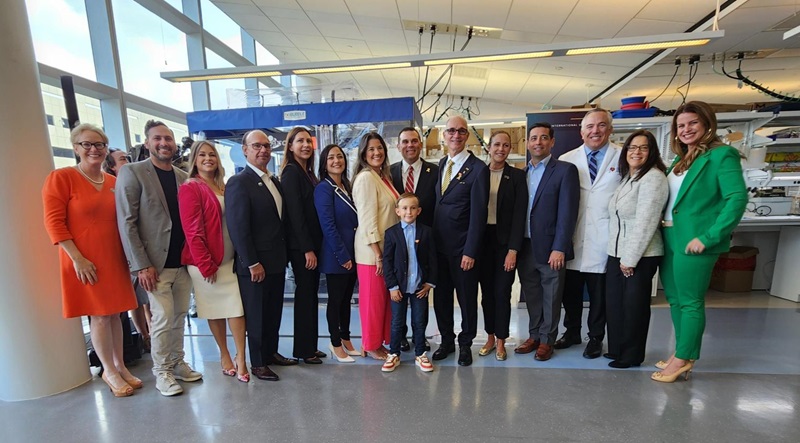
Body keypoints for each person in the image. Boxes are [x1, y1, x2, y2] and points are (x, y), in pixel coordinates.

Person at [43, 123, 140, 397]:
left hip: (114, 257)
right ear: (76, 148)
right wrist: (77, 258)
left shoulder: (113, 182)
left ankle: (121, 365)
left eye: (99, 144)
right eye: (87, 144)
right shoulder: (61, 178)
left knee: (116, 314)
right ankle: (108, 370)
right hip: (85, 259)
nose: (94, 149)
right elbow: (54, 223)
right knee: (99, 316)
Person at [653, 101, 747, 382]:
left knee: (690, 301)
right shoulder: (682, 159)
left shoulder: (722, 155)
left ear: (707, 123)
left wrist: (710, 237)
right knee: (674, 299)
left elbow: (737, 199)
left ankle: (683, 358)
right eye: (681, 125)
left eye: (692, 123)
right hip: (669, 235)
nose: (686, 129)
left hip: (695, 240)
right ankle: (682, 352)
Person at [116, 120, 202, 397]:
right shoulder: (133, 173)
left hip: (183, 262)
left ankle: (177, 362)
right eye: (157, 139)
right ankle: (162, 371)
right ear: (147, 143)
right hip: (155, 265)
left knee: (178, 316)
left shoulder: (181, 176)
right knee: (163, 318)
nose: (163, 143)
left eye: (168, 138)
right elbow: (127, 222)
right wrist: (141, 264)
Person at [178, 141, 249, 382]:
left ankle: (242, 356)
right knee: (215, 312)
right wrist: (205, 263)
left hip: (229, 261)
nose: (208, 158)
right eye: (202, 155)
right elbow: (192, 231)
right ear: (194, 160)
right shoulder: (191, 188)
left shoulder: (223, 186)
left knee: (236, 310)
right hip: (206, 264)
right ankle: (225, 355)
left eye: (212, 155)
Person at [225, 130, 291, 382]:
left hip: (275, 260)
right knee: (257, 314)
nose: (262, 150)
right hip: (255, 264)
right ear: (244, 150)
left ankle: (271, 352)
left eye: (266, 146)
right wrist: (251, 262)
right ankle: (258, 362)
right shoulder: (239, 182)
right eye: (256, 146)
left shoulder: (273, 181)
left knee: (273, 311)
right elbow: (238, 227)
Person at [557, 108, 622, 359]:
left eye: (601, 125)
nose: (595, 131)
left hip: (605, 236)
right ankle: (571, 331)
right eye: (590, 127)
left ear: (610, 129)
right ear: (581, 131)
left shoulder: (622, 156)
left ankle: (595, 337)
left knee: (599, 295)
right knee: (570, 292)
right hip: (573, 235)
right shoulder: (566, 158)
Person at [514, 122, 580, 361]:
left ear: (552, 142)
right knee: (531, 293)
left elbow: (567, 212)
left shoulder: (564, 170)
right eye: (533, 138)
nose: (538, 142)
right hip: (526, 245)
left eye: (543, 138)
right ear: (528, 143)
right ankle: (534, 335)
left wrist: (559, 247)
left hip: (551, 247)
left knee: (551, 295)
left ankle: (547, 340)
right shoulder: (522, 173)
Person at [605, 130, 668, 369]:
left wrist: (630, 259)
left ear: (652, 152)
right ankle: (618, 348)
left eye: (643, 148)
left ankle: (631, 355)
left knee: (634, 307)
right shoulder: (628, 178)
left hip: (640, 255)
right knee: (616, 304)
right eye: (632, 147)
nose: (636, 152)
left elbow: (646, 221)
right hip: (617, 252)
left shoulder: (653, 178)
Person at [431, 115, 489, 367]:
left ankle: (465, 344)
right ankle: (446, 340)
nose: (456, 135)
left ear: (467, 136)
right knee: (441, 298)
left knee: (466, 299)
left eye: (461, 131)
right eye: (451, 131)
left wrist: (470, 251)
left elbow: (479, 215)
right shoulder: (442, 164)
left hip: (463, 250)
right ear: (444, 135)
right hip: (439, 250)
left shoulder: (478, 169)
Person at [477, 131, 527, 361]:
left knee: (502, 292)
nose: (501, 149)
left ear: (510, 149)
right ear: (489, 147)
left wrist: (513, 250)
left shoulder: (517, 177)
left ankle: (501, 341)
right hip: (482, 241)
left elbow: (519, 216)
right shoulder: (478, 173)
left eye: (506, 145)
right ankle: (488, 336)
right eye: (497, 144)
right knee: (487, 294)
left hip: (505, 243)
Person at [389, 126, 438, 352]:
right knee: (399, 308)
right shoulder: (389, 172)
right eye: (405, 141)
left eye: (414, 141)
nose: (410, 145)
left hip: (425, 241)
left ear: (420, 144)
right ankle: (399, 340)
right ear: (398, 146)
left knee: (419, 307)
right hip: (399, 242)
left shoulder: (435, 171)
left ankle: (420, 340)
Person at [352, 132, 400, 361]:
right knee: (372, 301)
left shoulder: (382, 176)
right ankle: (371, 345)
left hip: (385, 251)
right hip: (372, 254)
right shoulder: (365, 178)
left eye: (379, 148)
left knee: (383, 301)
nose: (376, 152)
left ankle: (381, 340)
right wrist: (378, 254)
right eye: (371, 149)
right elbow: (367, 218)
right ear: (363, 153)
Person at [280, 127, 325, 364]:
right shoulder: (290, 173)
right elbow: (295, 215)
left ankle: (310, 345)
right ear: (290, 146)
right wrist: (307, 248)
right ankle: (303, 350)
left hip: (312, 245)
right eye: (300, 141)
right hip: (302, 248)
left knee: (310, 296)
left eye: (308, 141)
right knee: (305, 296)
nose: (306, 145)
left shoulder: (307, 172)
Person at [381, 193, 438, 373]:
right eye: (404, 208)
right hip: (398, 288)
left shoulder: (427, 232)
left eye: (413, 208)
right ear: (397, 211)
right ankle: (394, 353)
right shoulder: (391, 233)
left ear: (419, 211)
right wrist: (392, 287)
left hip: (419, 287)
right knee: (397, 321)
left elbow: (433, 260)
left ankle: (420, 353)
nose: (409, 212)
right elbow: (387, 262)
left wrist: (430, 283)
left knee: (419, 321)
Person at [314, 144, 360, 363]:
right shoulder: (324, 188)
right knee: (335, 300)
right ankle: (334, 343)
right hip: (336, 255)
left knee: (346, 300)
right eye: (331, 157)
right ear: (324, 163)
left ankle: (346, 338)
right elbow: (328, 225)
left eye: (340, 157)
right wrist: (343, 255)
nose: (336, 161)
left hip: (354, 252)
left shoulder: (347, 185)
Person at [105, 148, 152, 351]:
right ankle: (143, 334)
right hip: (119, 253)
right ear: (112, 166)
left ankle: (150, 335)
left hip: (139, 250)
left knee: (146, 295)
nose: (128, 162)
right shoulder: (111, 187)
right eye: (122, 159)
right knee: (132, 300)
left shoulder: (133, 184)